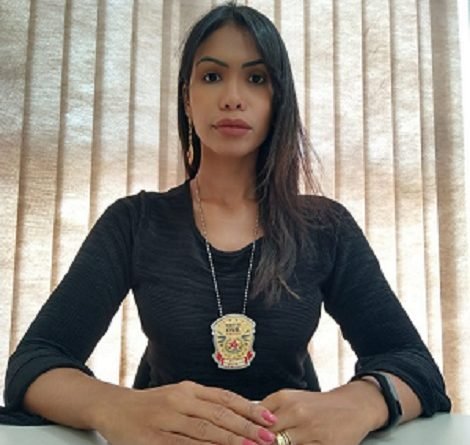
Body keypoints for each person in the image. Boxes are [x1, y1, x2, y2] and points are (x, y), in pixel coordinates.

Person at [2, 2, 451, 445]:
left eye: (256, 79)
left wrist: (360, 403)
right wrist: (116, 406)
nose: (233, 97)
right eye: (212, 76)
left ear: (278, 99)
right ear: (187, 97)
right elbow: (35, 363)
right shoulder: (134, 223)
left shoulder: (325, 227)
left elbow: (414, 366)